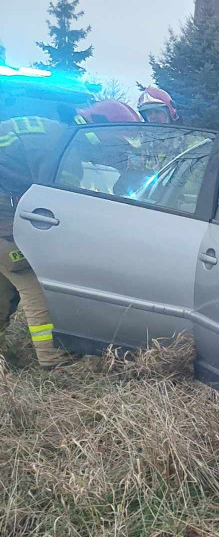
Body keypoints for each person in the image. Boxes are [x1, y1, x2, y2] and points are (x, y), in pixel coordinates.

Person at [0, 100, 139, 368]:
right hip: (2, 214)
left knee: (4, 281)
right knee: (33, 280)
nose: (116, 155)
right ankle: (54, 360)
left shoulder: (54, 130)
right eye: (119, 145)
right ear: (101, 131)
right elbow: (56, 210)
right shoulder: (65, 153)